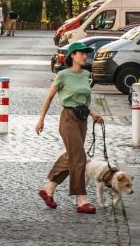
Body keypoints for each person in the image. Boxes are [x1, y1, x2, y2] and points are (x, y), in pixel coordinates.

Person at [35, 42, 103, 214]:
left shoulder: (86, 74)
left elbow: (84, 100)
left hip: (82, 119)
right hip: (68, 119)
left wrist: (93, 113)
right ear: (72, 55)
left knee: (72, 155)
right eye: (81, 53)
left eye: (86, 53)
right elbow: (49, 97)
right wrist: (41, 119)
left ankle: (48, 189)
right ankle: (81, 199)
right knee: (79, 157)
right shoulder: (63, 75)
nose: (85, 56)